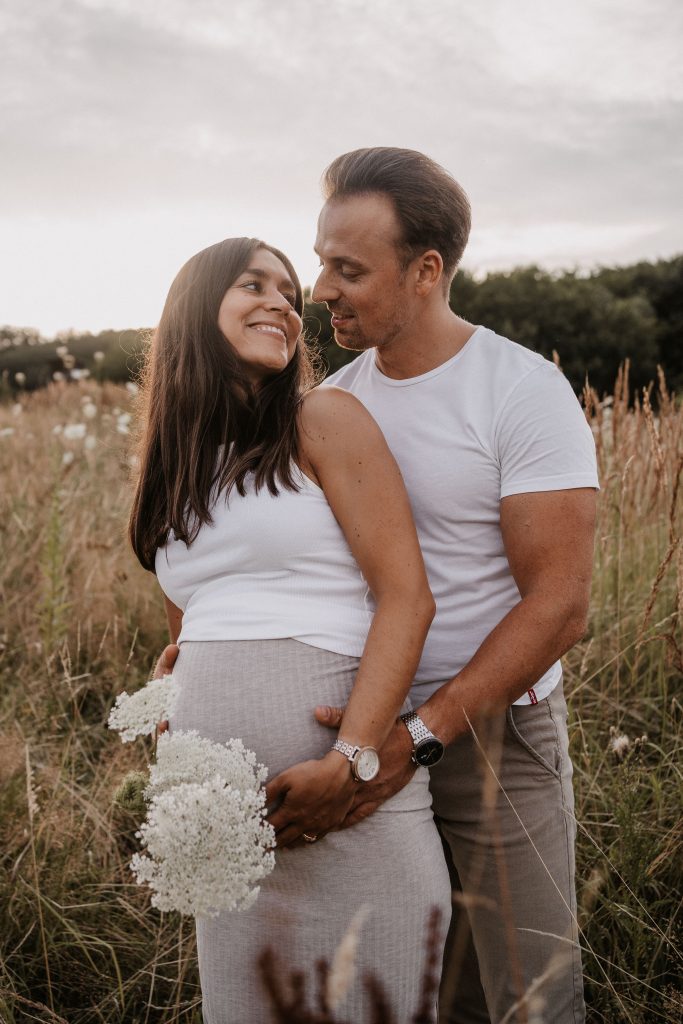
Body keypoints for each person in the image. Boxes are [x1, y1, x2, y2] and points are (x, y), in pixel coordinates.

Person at [302, 148, 598, 1024]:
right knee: (393, 990)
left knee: (525, 999)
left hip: (494, 745)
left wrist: (417, 739)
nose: (321, 287)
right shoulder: (334, 404)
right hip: (357, 733)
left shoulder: (520, 390)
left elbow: (559, 604)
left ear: (426, 271)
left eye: (347, 269)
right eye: (321, 261)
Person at [130, 236, 451, 1023]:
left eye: (285, 289)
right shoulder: (171, 468)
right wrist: (173, 701)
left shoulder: (324, 418)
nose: (283, 301)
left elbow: (406, 597)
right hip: (226, 828)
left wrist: (352, 761)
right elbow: (191, 630)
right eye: (253, 285)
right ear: (192, 310)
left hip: (350, 806)